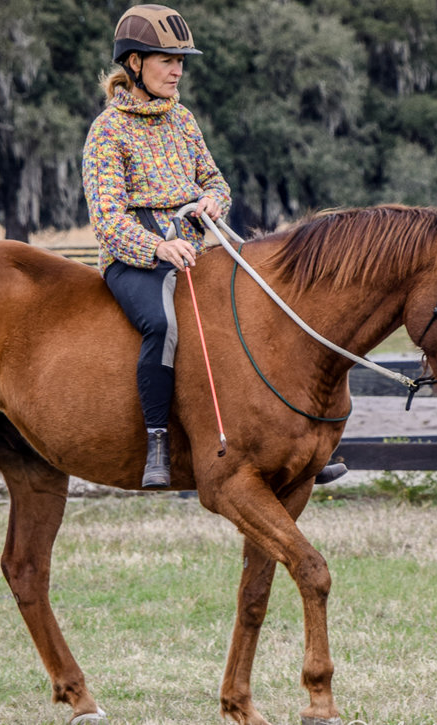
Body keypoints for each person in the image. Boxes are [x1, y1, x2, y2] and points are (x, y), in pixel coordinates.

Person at [82, 4, 348, 488]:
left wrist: (210, 200)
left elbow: (217, 182)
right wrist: (158, 249)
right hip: (135, 260)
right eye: (167, 59)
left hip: (196, 249)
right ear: (135, 63)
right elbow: (107, 220)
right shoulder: (107, 131)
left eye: (182, 60)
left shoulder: (183, 120)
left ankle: (299, 437)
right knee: (163, 326)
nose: (178, 69)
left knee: (265, 306)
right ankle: (158, 438)